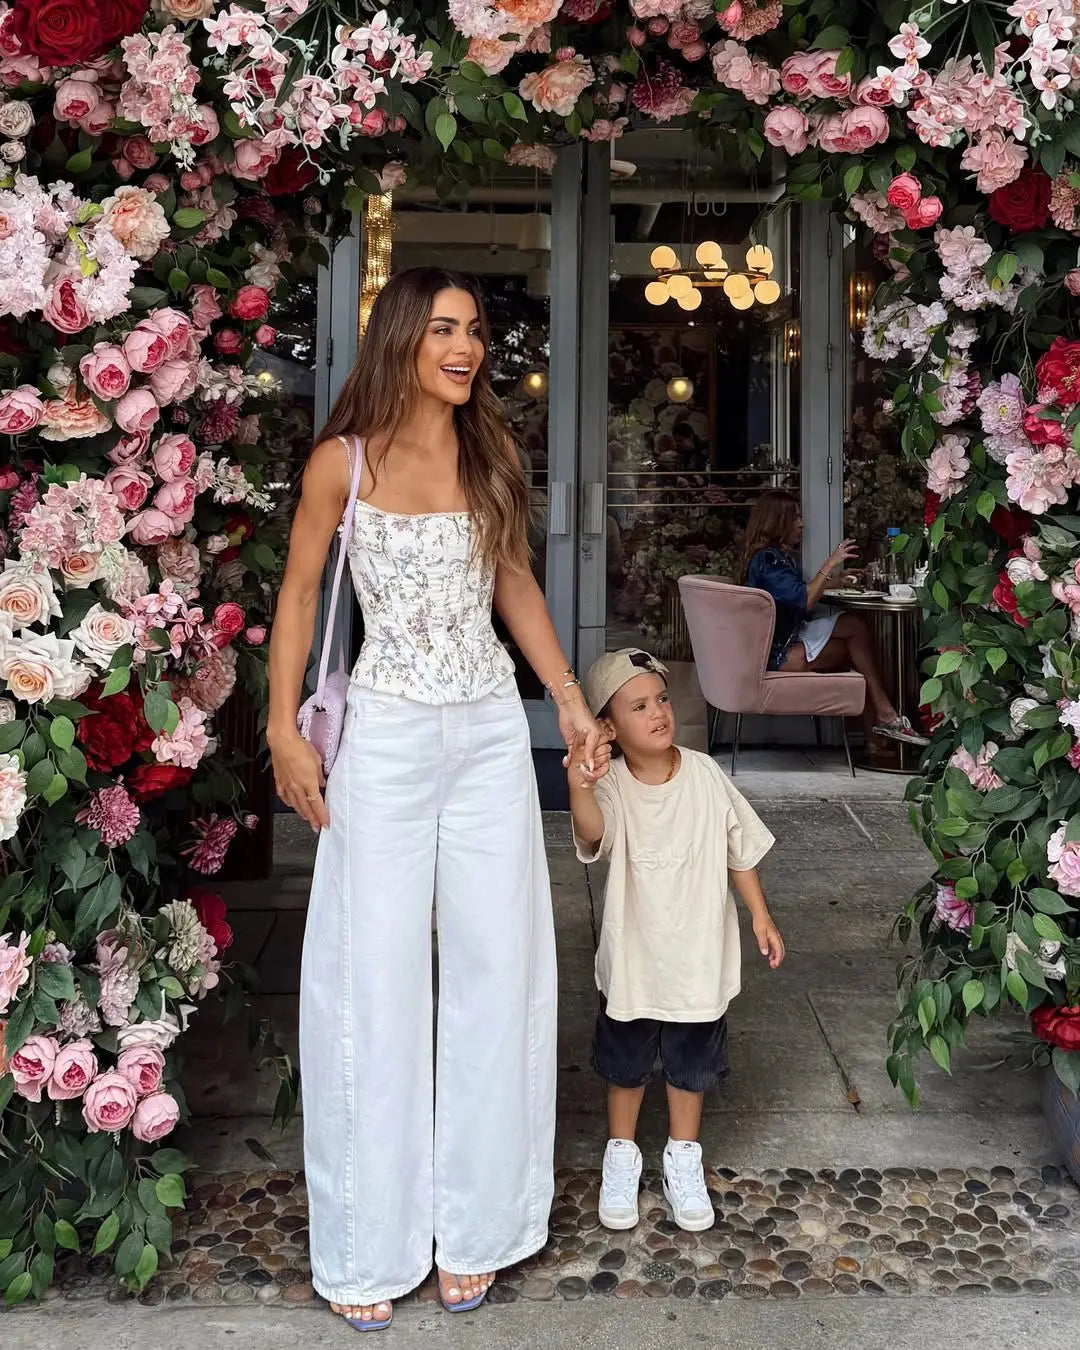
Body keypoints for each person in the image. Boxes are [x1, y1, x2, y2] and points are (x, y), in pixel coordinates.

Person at [267, 267, 601, 1331]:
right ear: (404, 337)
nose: (467, 348)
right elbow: (301, 595)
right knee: (371, 981)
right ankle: (369, 1242)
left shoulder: (489, 451)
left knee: (502, 974)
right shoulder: (342, 463)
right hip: (390, 738)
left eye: (476, 332)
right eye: (446, 329)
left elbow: (514, 585)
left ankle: (479, 1227)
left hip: (493, 733)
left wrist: (571, 703)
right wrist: (281, 729)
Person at [567, 649, 784, 1233]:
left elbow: (738, 849)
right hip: (637, 954)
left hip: (697, 956)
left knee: (693, 1061)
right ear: (608, 727)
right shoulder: (611, 783)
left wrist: (760, 915)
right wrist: (578, 784)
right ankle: (622, 1154)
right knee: (626, 1061)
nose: (658, 712)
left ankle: (683, 1157)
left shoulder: (706, 774)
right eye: (639, 706)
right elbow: (594, 834)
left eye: (661, 698)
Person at [742, 490, 927, 746]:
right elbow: (803, 600)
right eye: (795, 518)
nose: (801, 524)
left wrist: (835, 581)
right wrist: (829, 566)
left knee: (854, 628)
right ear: (777, 521)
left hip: (782, 644)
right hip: (777, 655)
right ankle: (881, 727)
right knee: (858, 647)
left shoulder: (773, 557)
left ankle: (880, 728)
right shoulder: (768, 559)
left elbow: (791, 595)